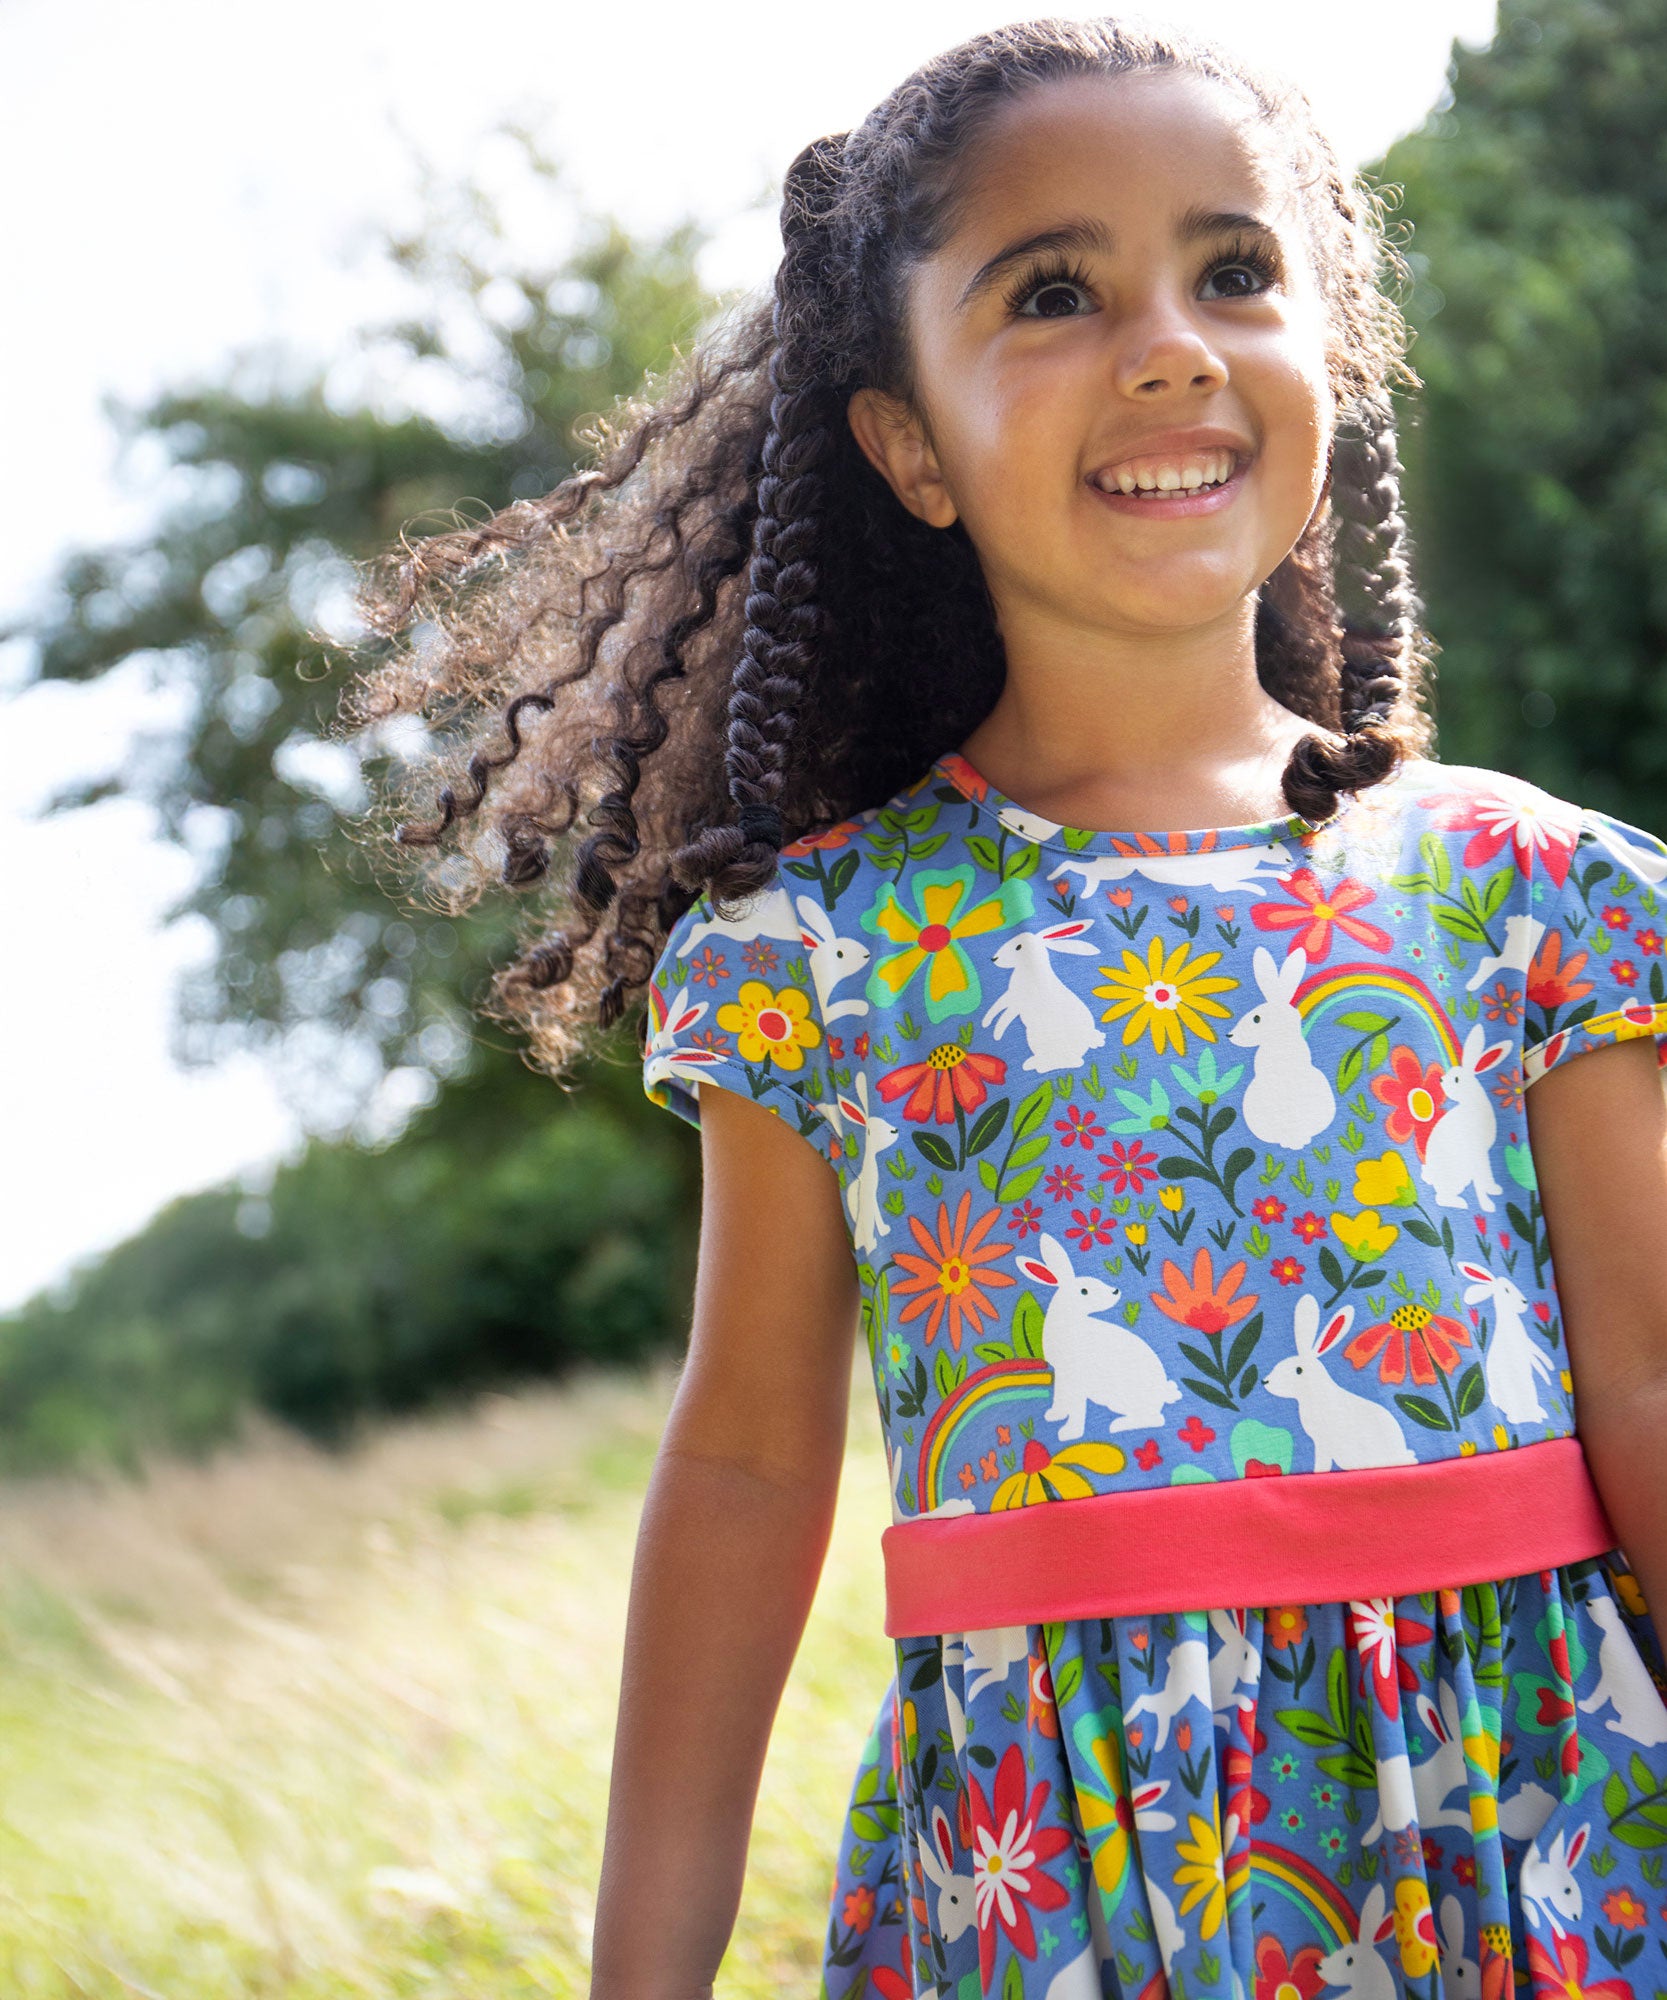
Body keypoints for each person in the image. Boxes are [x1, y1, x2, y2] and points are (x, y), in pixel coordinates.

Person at [339, 18, 1667, 2000]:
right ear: (907, 446)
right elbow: (748, 1466)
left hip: (1530, 1823)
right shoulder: (821, 952)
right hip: (1069, 1873)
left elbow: (1649, 1391)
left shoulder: (1527, 885)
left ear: (1336, 352)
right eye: (1056, 290)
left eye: (1234, 271)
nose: (1169, 344)